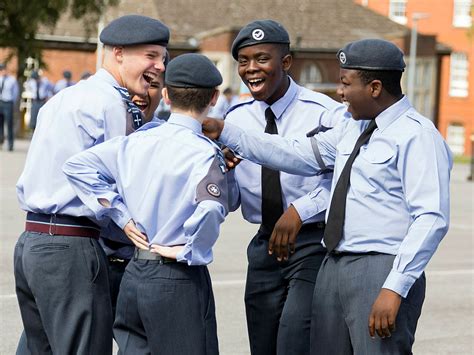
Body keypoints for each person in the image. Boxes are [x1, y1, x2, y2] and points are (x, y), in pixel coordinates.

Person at [203, 38, 452, 354]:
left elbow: (431, 219)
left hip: (380, 267)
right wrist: (224, 130)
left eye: (346, 84)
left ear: (374, 88)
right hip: (333, 265)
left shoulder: (417, 136)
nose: (339, 92)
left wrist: (395, 286)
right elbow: (293, 153)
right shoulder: (353, 129)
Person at [14, 14, 170, 354]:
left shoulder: (67, 97)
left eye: (162, 58)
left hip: (32, 241)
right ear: (118, 53)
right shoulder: (111, 104)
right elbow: (120, 182)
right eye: (151, 56)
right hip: (71, 245)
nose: (160, 66)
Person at [63, 53, 231, 355]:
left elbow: (77, 167)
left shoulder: (135, 141)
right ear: (215, 98)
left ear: (165, 94)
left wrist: (120, 215)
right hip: (176, 273)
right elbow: (210, 208)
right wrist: (190, 249)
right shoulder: (205, 152)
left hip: (135, 269)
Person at [219, 20, 342, 355]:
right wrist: (226, 173)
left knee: (294, 342)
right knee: (262, 346)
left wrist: (299, 211)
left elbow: (342, 182)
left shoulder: (325, 113)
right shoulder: (236, 118)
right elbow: (230, 202)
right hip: (263, 245)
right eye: (243, 61)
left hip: (311, 243)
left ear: (286, 63)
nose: (251, 69)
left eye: (262, 59)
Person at [0, 63, 19, 151]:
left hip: (8, 103)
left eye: (4, 69)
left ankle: (10, 144)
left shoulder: (12, 80)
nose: (3, 71)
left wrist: (12, 103)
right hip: (0, 102)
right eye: (1, 70)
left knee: (9, 124)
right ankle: (0, 140)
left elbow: (15, 93)